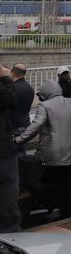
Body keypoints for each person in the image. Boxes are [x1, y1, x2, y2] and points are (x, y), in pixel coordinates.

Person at [14, 80, 71, 218]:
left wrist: (18, 140)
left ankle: (62, 209)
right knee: (66, 182)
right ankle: (65, 209)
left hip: (52, 153)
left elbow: (35, 126)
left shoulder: (44, 105)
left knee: (49, 181)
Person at [0, 64, 19, 231]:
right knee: (7, 193)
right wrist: (6, 78)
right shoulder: (5, 86)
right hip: (4, 151)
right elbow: (9, 99)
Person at [9, 64, 32, 135]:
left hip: (14, 125)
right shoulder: (29, 88)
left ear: (13, 73)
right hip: (25, 123)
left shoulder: (12, 89)